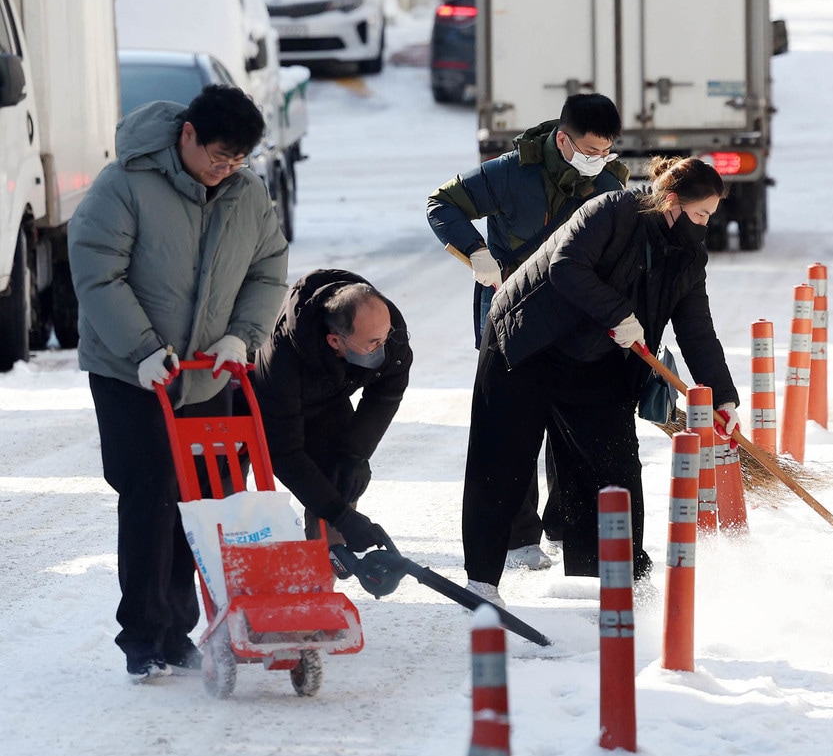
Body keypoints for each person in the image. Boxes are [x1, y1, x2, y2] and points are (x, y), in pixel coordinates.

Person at [68, 84, 288, 682]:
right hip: (131, 373)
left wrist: (241, 336)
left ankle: (182, 630)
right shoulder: (125, 184)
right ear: (188, 134)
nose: (226, 169)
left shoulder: (246, 193)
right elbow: (97, 271)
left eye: (238, 160)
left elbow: (269, 269)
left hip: (207, 374)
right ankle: (144, 637)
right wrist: (141, 348)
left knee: (205, 501)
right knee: (151, 494)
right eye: (218, 156)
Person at [460, 157, 742, 604]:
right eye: (701, 213)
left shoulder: (689, 256)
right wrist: (618, 314)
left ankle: (615, 579)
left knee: (612, 467)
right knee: (503, 462)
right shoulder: (610, 211)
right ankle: (481, 582)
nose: (706, 224)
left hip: (597, 361)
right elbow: (567, 266)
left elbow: (697, 331)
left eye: (710, 215)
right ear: (672, 202)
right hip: (529, 344)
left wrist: (722, 397)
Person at [427, 93, 629, 572]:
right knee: (513, 425)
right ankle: (519, 537)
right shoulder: (511, 172)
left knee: (569, 421)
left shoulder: (608, 183)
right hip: (510, 313)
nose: (598, 160)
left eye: (606, 152)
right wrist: (475, 251)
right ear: (563, 140)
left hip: (573, 317)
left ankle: (562, 525)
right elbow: (443, 203)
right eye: (590, 151)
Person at [248, 270, 412, 560]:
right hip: (258, 398)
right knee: (225, 493)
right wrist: (339, 514)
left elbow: (386, 395)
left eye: (386, 337)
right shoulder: (280, 360)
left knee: (342, 478)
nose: (385, 347)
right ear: (335, 341)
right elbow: (284, 452)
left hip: (328, 394)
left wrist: (354, 454)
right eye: (374, 343)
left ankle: (328, 561)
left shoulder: (388, 330)